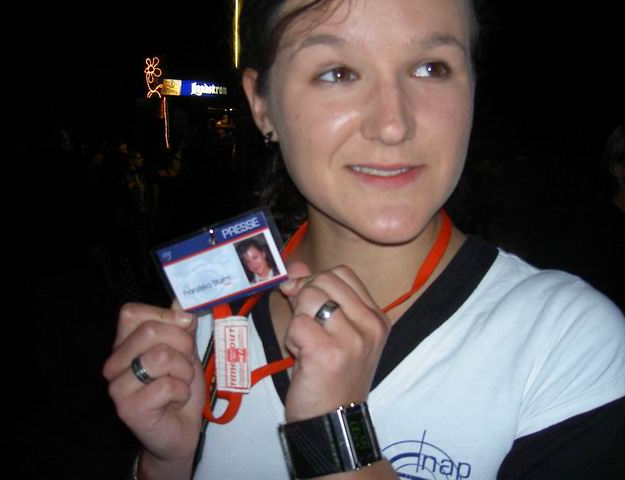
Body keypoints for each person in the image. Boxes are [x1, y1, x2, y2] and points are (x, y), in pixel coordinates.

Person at [103, 1, 625, 479]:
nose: (393, 125)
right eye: (338, 73)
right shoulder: (206, 325)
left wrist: (338, 441)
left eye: (431, 68)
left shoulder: (568, 345)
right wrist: (167, 464)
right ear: (262, 105)